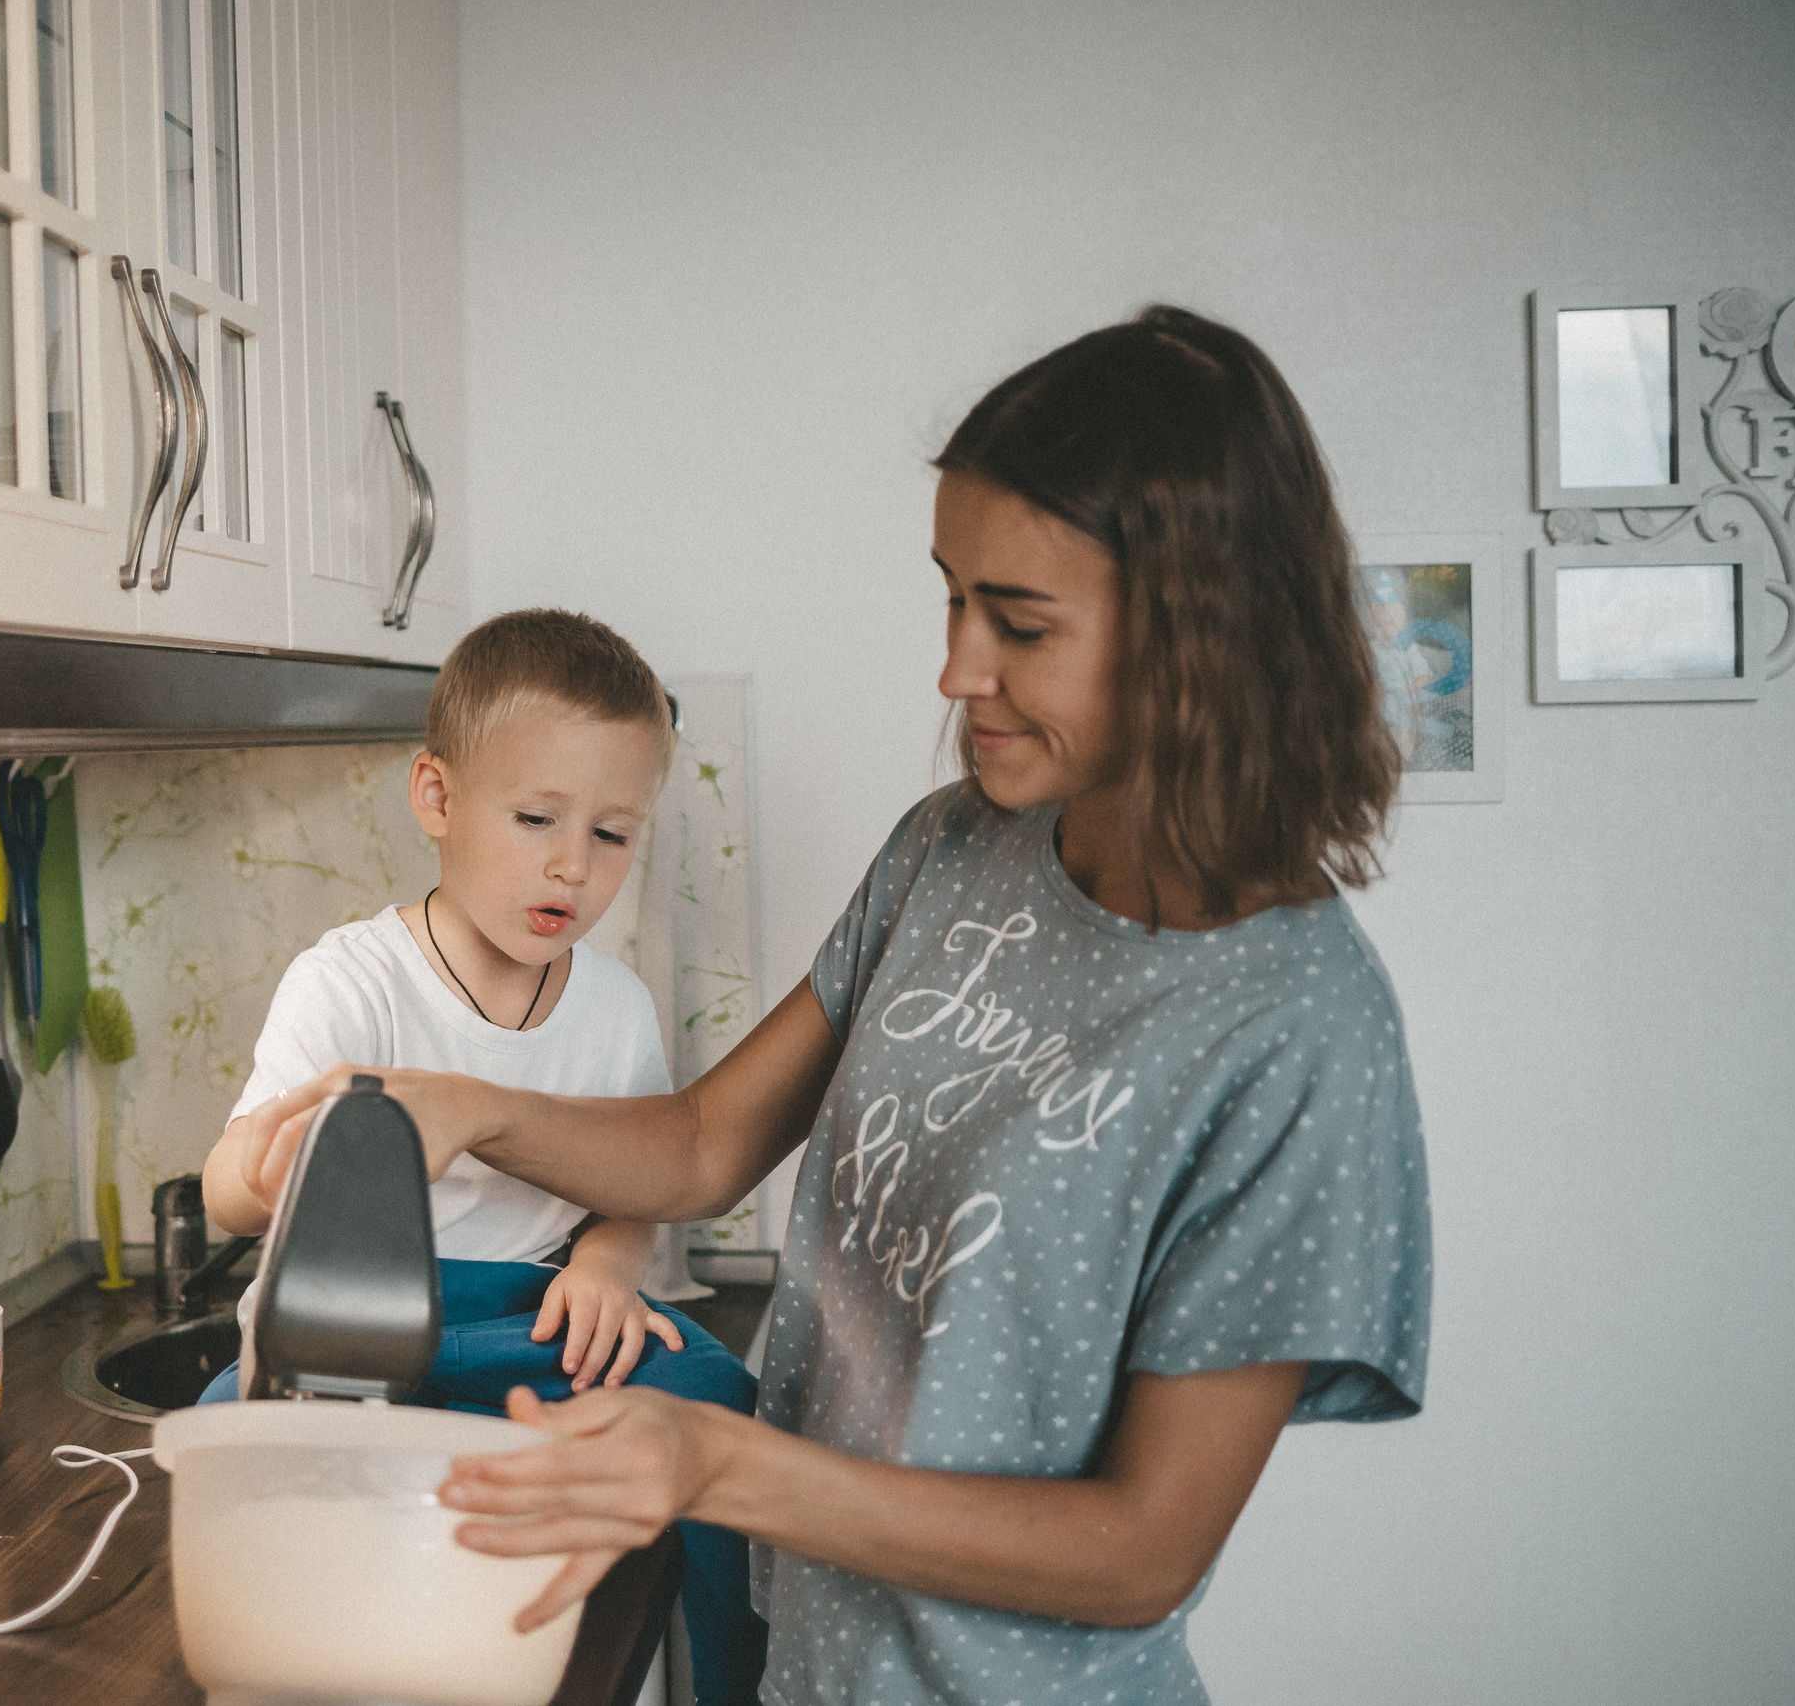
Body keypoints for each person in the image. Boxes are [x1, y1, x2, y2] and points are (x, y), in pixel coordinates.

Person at [231, 307, 1436, 1706]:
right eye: (953, 598)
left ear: (1198, 637)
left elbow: (1142, 1549)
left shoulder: (1301, 1027)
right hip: (806, 1656)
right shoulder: (952, 847)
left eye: (1021, 622)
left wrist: (729, 1463)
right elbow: (695, 1144)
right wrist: (466, 1104)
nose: (957, 669)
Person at [199, 607, 770, 1706]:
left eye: (611, 835)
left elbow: (640, 1180)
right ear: (438, 798)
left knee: (711, 1395)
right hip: (357, 1342)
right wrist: (270, 1174)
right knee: (235, 1434)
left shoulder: (612, 1003)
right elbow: (233, 1184)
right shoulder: (349, 980)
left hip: (535, 1325)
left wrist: (607, 1266)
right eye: (535, 817)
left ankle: (729, 1686)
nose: (572, 864)